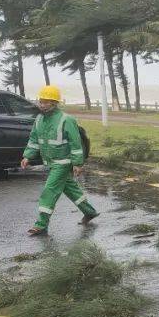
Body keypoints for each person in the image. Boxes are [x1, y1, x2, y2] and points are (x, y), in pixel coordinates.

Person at [20, 85, 99, 236]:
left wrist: (77, 163)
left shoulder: (66, 119)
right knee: (70, 188)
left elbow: (76, 144)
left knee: (49, 190)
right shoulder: (39, 119)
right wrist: (27, 156)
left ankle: (41, 224)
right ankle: (90, 212)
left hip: (63, 163)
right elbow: (34, 139)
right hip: (51, 162)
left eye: (45, 102)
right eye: (40, 101)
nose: (41, 104)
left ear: (54, 103)